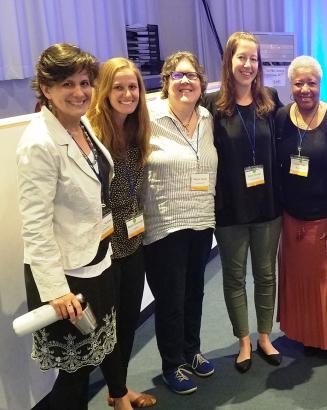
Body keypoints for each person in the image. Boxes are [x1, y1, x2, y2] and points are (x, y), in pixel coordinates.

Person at [16, 43, 132, 410]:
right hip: (65, 278)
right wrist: (55, 291)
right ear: (45, 88)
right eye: (67, 83)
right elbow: (34, 226)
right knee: (74, 372)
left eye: (85, 82)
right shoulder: (39, 143)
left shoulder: (80, 126)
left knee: (95, 354)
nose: (79, 92)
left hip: (95, 259)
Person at [201, 32, 283, 373]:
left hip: (267, 207)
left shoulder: (271, 101)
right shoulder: (213, 105)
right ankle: (244, 341)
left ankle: (265, 336)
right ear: (229, 62)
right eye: (242, 58)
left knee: (265, 275)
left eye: (254, 59)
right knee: (234, 278)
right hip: (230, 208)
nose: (248, 65)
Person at [142, 51, 218, 394]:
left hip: (202, 220)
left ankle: (192, 351)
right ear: (166, 82)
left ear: (201, 84)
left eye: (191, 76)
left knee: (194, 293)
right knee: (170, 299)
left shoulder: (205, 116)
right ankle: (172, 364)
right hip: (165, 223)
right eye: (178, 76)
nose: (185, 81)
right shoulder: (149, 116)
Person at [275, 55, 327, 362]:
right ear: (290, 85)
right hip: (293, 219)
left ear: (320, 84)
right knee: (301, 280)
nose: (305, 89)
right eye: (299, 83)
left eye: (311, 83)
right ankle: (308, 336)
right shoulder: (282, 118)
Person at [87, 57, 157, 408]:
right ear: (105, 91)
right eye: (119, 87)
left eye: (133, 87)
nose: (127, 93)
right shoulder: (93, 135)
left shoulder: (136, 129)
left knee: (128, 320)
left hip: (132, 241)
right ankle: (117, 395)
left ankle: (121, 387)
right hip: (103, 251)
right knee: (108, 324)